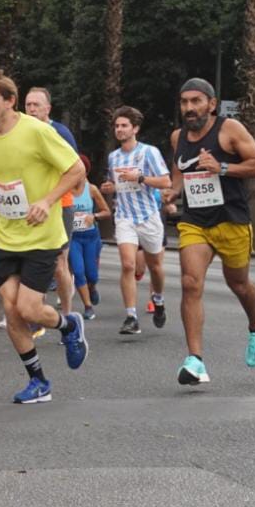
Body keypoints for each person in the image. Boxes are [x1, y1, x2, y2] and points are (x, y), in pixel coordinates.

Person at [0, 72, 89, 404]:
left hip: (42, 237)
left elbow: (76, 169)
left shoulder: (37, 132)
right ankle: (39, 382)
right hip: (5, 237)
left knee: (30, 308)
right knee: (13, 311)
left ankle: (68, 324)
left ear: (9, 100)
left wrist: (47, 202)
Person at [170, 77, 255, 385]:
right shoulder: (177, 137)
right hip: (195, 220)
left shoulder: (229, 130)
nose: (189, 107)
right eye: (185, 102)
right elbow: (179, 171)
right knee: (190, 282)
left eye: (196, 101)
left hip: (232, 219)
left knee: (239, 284)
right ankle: (195, 360)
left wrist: (223, 168)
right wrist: (171, 193)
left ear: (211, 105)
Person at [101, 105, 172, 335]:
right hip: (124, 216)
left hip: (148, 216)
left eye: (124, 125)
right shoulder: (114, 157)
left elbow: (165, 182)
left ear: (135, 129)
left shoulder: (149, 152)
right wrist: (109, 187)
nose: (119, 129)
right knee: (128, 265)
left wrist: (140, 177)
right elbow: (116, 185)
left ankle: (158, 300)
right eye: (117, 126)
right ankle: (131, 316)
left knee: (155, 267)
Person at [25, 87, 78, 316]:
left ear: (48, 108)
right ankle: (36, 311)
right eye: (28, 105)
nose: (32, 109)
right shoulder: (21, 133)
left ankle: (68, 316)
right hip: (29, 205)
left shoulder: (60, 132)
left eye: (36, 105)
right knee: (29, 261)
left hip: (60, 204)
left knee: (58, 264)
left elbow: (76, 170)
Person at [66, 155, 112, 320]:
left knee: (92, 275)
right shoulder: (64, 190)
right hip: (73, 238)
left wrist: (95, 216)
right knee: (78, 272)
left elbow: (107, 211)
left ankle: (92, 288)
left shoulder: (91, 189)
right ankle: (88, 306)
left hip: (91, 236)